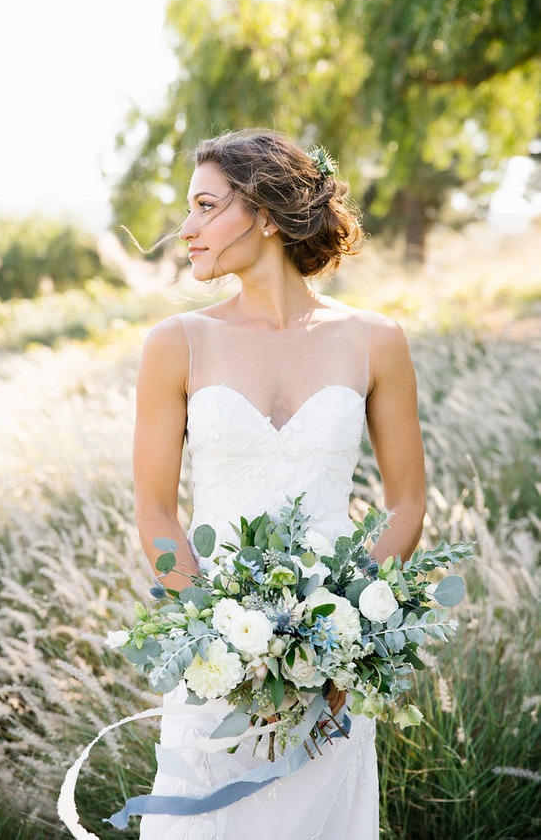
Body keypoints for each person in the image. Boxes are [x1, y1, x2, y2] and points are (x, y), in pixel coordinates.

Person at [133, 129, 426, 839]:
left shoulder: (374, 340)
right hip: (214, 663)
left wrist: (345, 638)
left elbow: (408, 501)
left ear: (263, 211)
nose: (187, 228)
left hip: (334, 675)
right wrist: (223, 642)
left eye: (205, 205)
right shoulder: (177, 343)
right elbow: (155, 509)